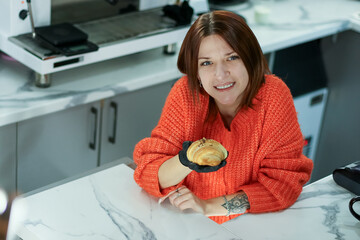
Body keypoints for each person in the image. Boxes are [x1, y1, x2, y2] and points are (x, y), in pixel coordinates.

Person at [133, 10, 313, 224]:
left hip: (254, 223)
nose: (220, 74)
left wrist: (207, 206)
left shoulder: (274, 97)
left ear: (250, 59)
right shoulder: (186, 94)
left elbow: (283, 184)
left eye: (232, 57)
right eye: (206, 63)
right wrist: (186, 160)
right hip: (191, 223)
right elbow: (147, 172)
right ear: (196, 71)